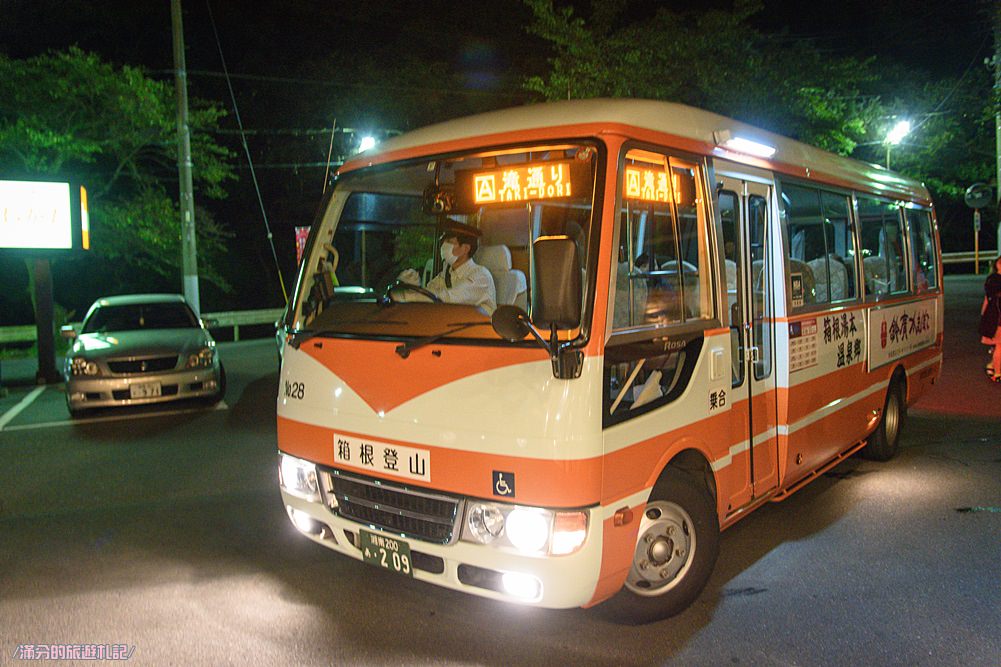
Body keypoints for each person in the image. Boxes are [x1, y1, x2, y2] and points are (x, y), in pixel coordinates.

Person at [397, 220, 497, 314]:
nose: (443, 246)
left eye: (449, 242)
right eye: (444, 242)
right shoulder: (446, 274)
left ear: (465, 248)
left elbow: (448, 298)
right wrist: (413, 287)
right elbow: (429, 295)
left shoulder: (480, 275)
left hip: (477, 331)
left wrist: (407, 297)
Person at [979, 255, 1001, 382]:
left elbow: (987, 299)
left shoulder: (990, 279)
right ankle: (997, 372)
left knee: (998, 345)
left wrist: (983, 315)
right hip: (998, 317)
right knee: (999, 345)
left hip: (992, 315)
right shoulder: (996, 280)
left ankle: (993, 366)